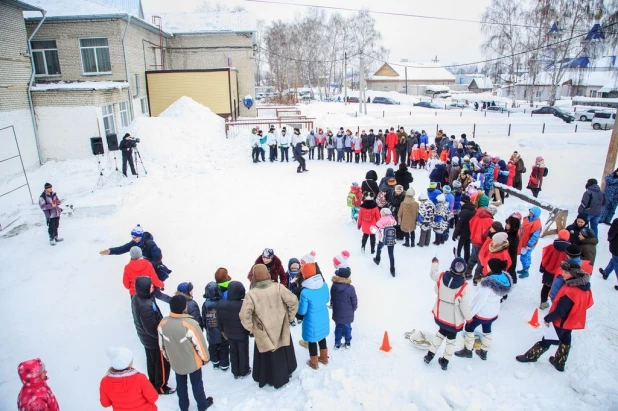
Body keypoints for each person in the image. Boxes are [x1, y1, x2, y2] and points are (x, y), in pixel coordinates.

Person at [516, 261, 593, 372]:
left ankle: (531, 356)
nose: (563, 274)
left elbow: (560, 311)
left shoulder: (570, 291)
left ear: (574, 274)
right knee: (566, 339)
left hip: (561, 322)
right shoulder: (584, 287)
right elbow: (588, 303)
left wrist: (548, 318)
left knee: (547, 339)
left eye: (566, 272)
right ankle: (559, 362)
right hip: (570, 321)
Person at [240, 264, 298, 388]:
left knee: (266, 356)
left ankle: (265, 377)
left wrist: (252, 329)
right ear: (267, 274)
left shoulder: (251, 294)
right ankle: (286, 372)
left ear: (254, 277)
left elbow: (244, 316)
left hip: (263, 333)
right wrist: (289, 318)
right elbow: (293, 301)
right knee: (282, 352)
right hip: (281, 329)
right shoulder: (278, 288)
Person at [158, 295, 214, 410]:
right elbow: (200, 344)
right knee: (197, 384)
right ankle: (202, 405)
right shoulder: (190, 324)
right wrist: (205, 358)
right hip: (192, 362)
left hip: (175, 361)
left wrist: (168, 358)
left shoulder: (163, 323)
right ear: (184, 307)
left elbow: (162, 345)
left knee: (181, 385)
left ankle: (183, 406)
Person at [455, 258, 512, 361]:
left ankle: (467, 350)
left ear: (491, 268)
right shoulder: (503, 279)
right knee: (487, 329)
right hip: (493, 312)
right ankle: (484, 351)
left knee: (469, 327)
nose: (486, 266)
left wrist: (469, 314)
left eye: (488, 265)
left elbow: (479, 301)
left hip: (482, 313)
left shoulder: (487, 284)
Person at [424, 257, 472, 370]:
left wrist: (435, 263)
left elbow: (432, 274)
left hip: (441, 313)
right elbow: (464, 305)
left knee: (440, 333)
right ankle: (445, 361)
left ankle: (429, 355)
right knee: (451, 339)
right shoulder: (464, 286)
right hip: (453, 318)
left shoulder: (441, 276)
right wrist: (468, 318)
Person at [131, 276, 173, 394]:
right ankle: (161, 386)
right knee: (161, 363)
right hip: (154, 340)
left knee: (152, 361)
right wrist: (163, 336)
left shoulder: (138, 298)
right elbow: (151, 328)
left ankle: (153, 382)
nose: (153, 286)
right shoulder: (145, 306)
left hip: (146, 339)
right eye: (150, 285)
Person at [100, 224, 171, 282]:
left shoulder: (149, 243)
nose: (133, 239)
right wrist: (110, 251)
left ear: (140, 236)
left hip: (152, 267)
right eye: (132, 237)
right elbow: (123, 248)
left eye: (135, 237)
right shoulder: (134, 242)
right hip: (145, 266)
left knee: (155, 289)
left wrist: (149, 264)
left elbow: (158, 255)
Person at [99, 347, 158, 411]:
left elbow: (105, 403)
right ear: (129, 363)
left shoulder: (105, 382)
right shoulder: (140, 378)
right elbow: (153, 398)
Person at [298, 261, 330, 368]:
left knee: (312, 341)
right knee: (322, 337)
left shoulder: (305, 292)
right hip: (323, 317)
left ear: (304, 275)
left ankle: (314, 362)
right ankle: (324, 358)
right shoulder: (324, 285)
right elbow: (327, 299)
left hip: (311, 320)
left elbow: (302, 311)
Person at [216, 281, 251, 379]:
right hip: (242, 333)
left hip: (229, 333)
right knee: (243, 351)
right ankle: (244, 370)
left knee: (233, 351)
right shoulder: (243, 304)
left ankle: (235, 371)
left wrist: (222, 331)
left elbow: (219, 320)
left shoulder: (220, 304)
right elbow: (248, 318)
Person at [331, 252, 357, 348]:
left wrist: (332, 304)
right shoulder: (351, 288)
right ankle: (348, 342)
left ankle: (337, 343)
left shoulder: (334, 285)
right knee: (348, 327)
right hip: (348, 312)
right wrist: (354, 308)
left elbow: (332, 297)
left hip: (337, 311)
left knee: (338, 327)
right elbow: (354, 300)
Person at [539, 230, 570, 310]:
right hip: (561, 274)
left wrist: (543, 266)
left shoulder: (551, 246)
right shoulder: (569, 250)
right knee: (559, 290)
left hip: (549, 271)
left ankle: (543, 302)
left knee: (546, 288)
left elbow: (545, 257)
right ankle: (556, 306)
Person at [202, 282, 229, 371]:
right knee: (224, 347)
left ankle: (215, 363)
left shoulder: (205, 304)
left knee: (212, 347)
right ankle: (224, 365)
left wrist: (206, 327)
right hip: (222, 331)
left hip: (211, 331)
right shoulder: (222, 303)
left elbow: (204, 317)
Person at [465, 199, 494, 280]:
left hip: (474, 240)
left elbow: (470, 223)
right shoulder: (489, 220)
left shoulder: (477, 215)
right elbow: (487, 234)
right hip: (482, 243)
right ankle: (476, 278)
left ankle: (467, 273)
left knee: (473, 257)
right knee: (480, 261)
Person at [517, 207, 542, 279]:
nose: (530, 213)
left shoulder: (537, 224)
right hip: (523, 242)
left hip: (528, 245)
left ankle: (526, 271)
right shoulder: (527, 218)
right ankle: (524, 269)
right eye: (530, 211)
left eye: (532, 213)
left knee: (524, 258)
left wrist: (529, 244)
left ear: (535, 214)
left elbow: (535, 236)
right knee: (526, 256)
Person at [373, 208, 397, 276]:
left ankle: (377, 259)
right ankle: (392, 270)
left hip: (383, 238)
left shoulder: (381, 220)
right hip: (391, 238)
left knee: (379, 248)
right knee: (391, 254)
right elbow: (395, 223)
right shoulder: (392, 218)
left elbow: (375, 229)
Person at [453, 195, 475, 262]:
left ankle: (458, 259)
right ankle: (466, 259)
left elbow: (459, 225)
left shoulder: (463, 212)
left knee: (460, 246)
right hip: (470, 231)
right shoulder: (473, 209)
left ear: (464, 202)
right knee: (467, 246)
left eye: (461, 201)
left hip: (463, 232)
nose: (460, 202)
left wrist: (455, 234)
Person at [600, 218, 618, 288]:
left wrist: (610, 239)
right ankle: (606, 272)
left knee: (616, 263)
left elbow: (611, 233)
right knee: (614, 260)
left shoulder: (617, 221)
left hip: (616, 246)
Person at [505, 215, 521, 285]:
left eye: (508, 224)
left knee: (509, 272)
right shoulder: (508, 233)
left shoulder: (513, 238)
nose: (506, 225)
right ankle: (513, 280)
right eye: (506, 223)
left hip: (509, 258)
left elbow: (511, 252)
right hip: (509, 258)